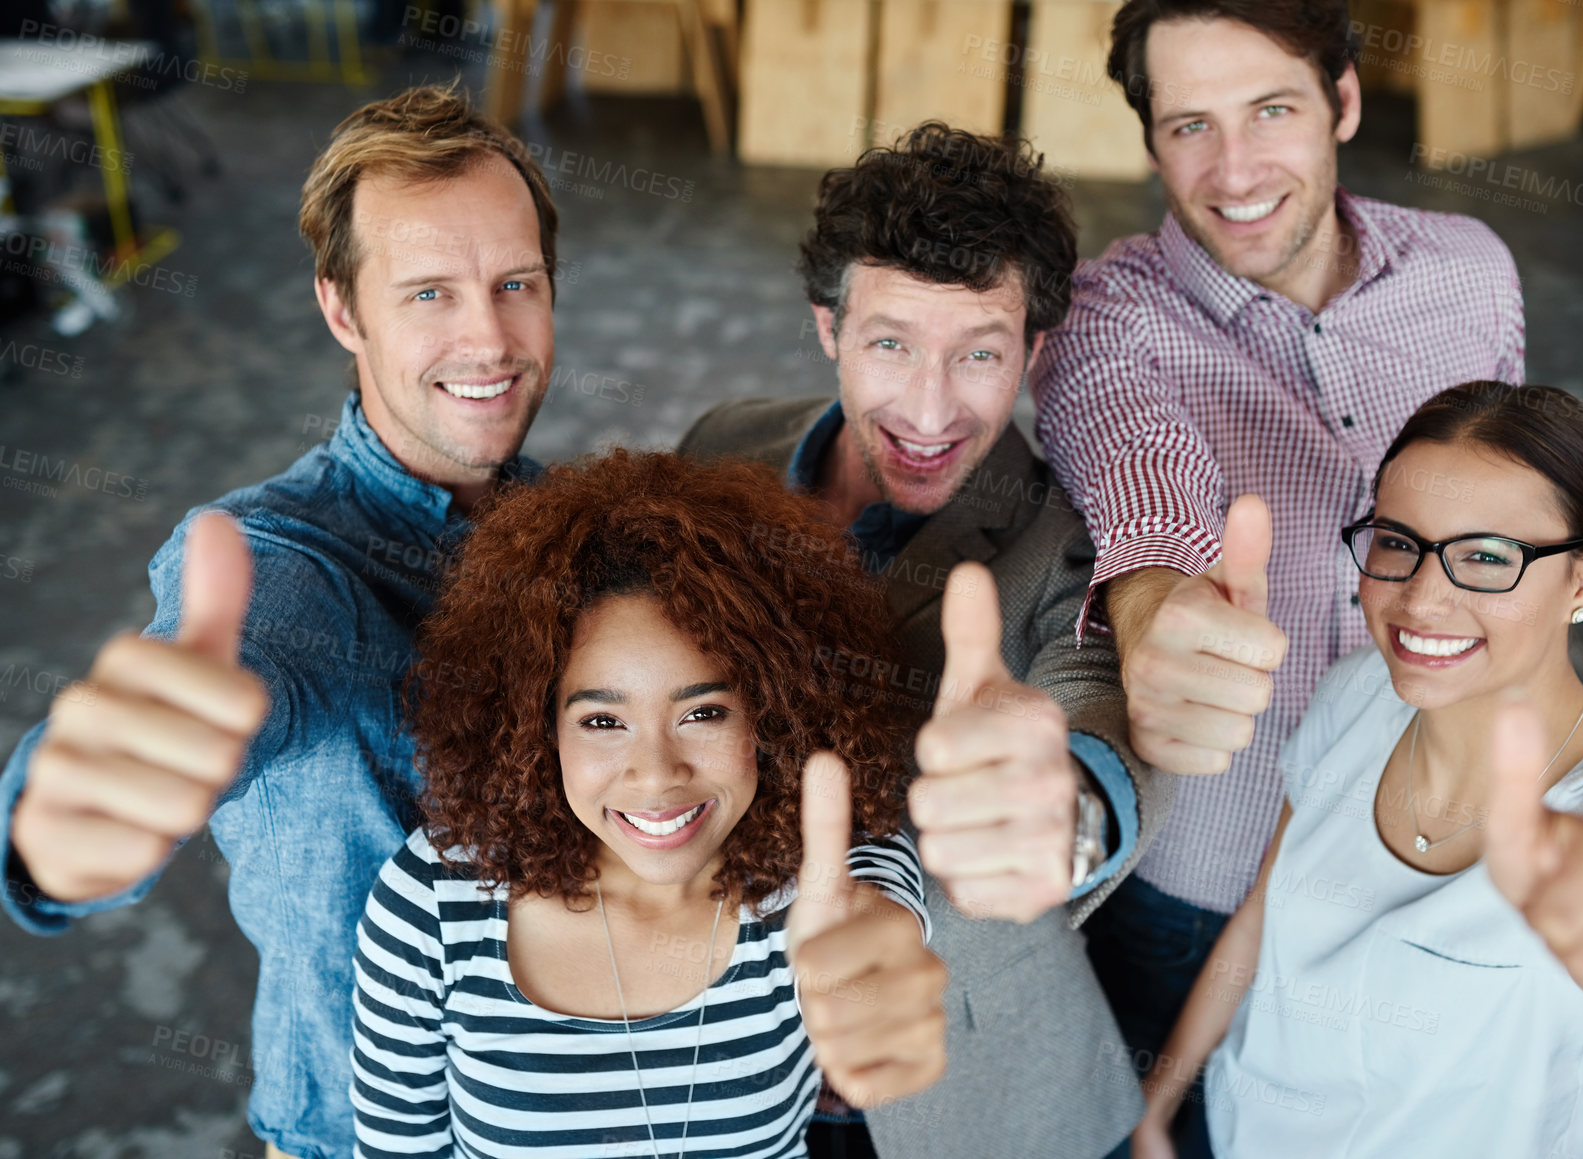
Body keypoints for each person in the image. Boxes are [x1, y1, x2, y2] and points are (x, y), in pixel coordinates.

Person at [0, 83, 560, 1159]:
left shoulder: (567, 524)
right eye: (430, 293)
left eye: (516, 283)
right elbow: (225, 665)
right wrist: (62, 832)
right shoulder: (280, 562)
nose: (488, 337)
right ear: (343, 310)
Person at [1026, 0, 1527, 1088]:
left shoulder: (1475, 274)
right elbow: (1138, 474)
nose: (1233, 167)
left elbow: (1516, 531)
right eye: (1188, 124)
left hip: (1432, 864)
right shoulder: (1107, 320)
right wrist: (1158, 602)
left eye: (1271, 109)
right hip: (1202, 883)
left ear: (1342, 100)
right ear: (1150, 138)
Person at [680, 122, 1167, 1159]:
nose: (931, 409)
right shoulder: (720, 444)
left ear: (1034, 352)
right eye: (891, 343)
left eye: (979, 353)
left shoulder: (1064, 539)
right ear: (829, 328)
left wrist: (1062, 809)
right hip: (721, 1075)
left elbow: (1094, 708)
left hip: (953, 1101)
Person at [1131, 382, 1583, 1159]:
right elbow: (1260, 917)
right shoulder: (1355, 691)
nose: (1421, 597)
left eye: (1486, 556)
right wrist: (1158, 1105)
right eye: (1397, 541)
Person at [351, 450, 947, 1157]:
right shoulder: (434, 899)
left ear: (773, 711)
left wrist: (874, 969)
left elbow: (875, 918)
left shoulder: (819, 871)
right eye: (602, 721)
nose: (657, 774)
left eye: (704, 713)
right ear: (537, 726)